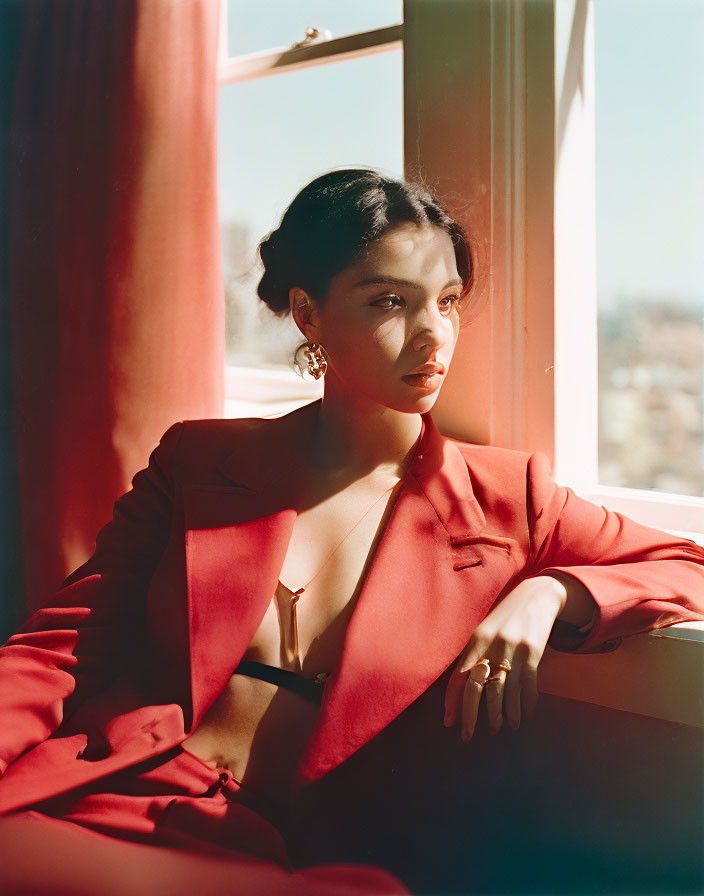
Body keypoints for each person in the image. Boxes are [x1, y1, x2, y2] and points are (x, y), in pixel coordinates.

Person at [1, 168, 703, 896]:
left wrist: (551, 592)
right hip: (100, 804)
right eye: (391, 302)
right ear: (308, 315)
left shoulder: (507, 498)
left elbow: (689, 562)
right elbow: (57, 651)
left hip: (286, 854)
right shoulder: (198, 462)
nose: (434, 332)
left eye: (450, 301)